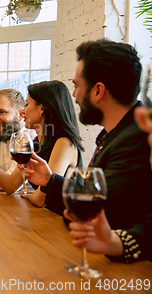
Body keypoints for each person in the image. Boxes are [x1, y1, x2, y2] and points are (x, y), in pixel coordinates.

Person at [23, 39, 152, 230]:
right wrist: (50, 181)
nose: (74, 94)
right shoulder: (114, 134)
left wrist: (53, 185)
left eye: (77, 86)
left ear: (98, 91)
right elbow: (92, 198)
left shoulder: (135, 140)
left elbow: (97, 214)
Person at [64, 106, 152, 263]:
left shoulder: (131, 138)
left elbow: (106, 206)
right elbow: (147, 232)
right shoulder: (110, 136)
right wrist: (113, 243)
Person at [20, 81, 84, 215]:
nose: (22, 110)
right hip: (49, 218)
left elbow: (40, 199)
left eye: (26, 104)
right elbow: (10, 184)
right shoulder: (36, 142)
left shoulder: (64, 143)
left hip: (65, 223)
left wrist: (27, 195)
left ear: (42, 109)